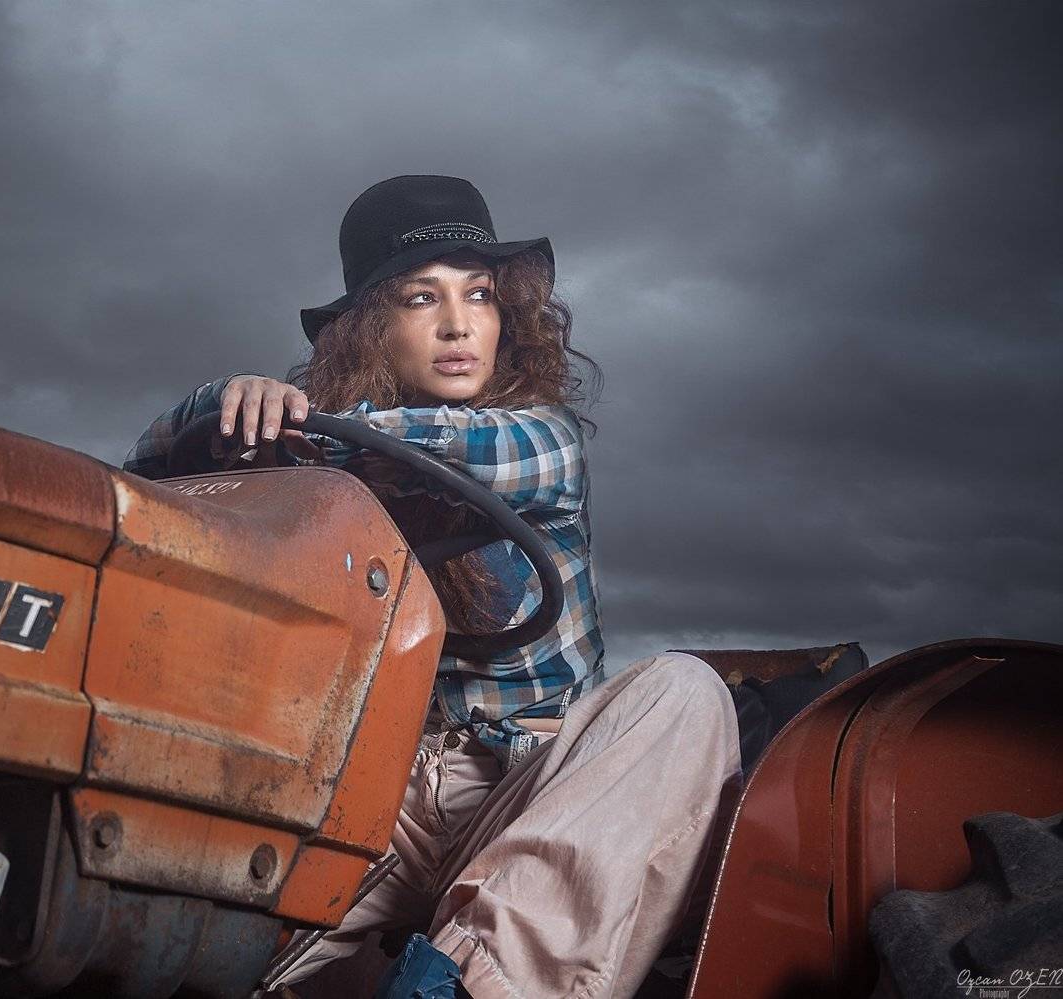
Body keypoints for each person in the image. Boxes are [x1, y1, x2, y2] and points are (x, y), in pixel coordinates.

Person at [123, 176, 741, 999]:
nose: (458, 325)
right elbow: (150, 466)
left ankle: (458, 987)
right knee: (179, 943)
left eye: (479, 296)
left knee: (685, 692)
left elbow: (444, 445)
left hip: (525, 785)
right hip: (379, 786)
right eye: (422, 298)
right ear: (375, 324)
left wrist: (298, 424)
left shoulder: (539, 440)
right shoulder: (318, 475)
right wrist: (233, 401)